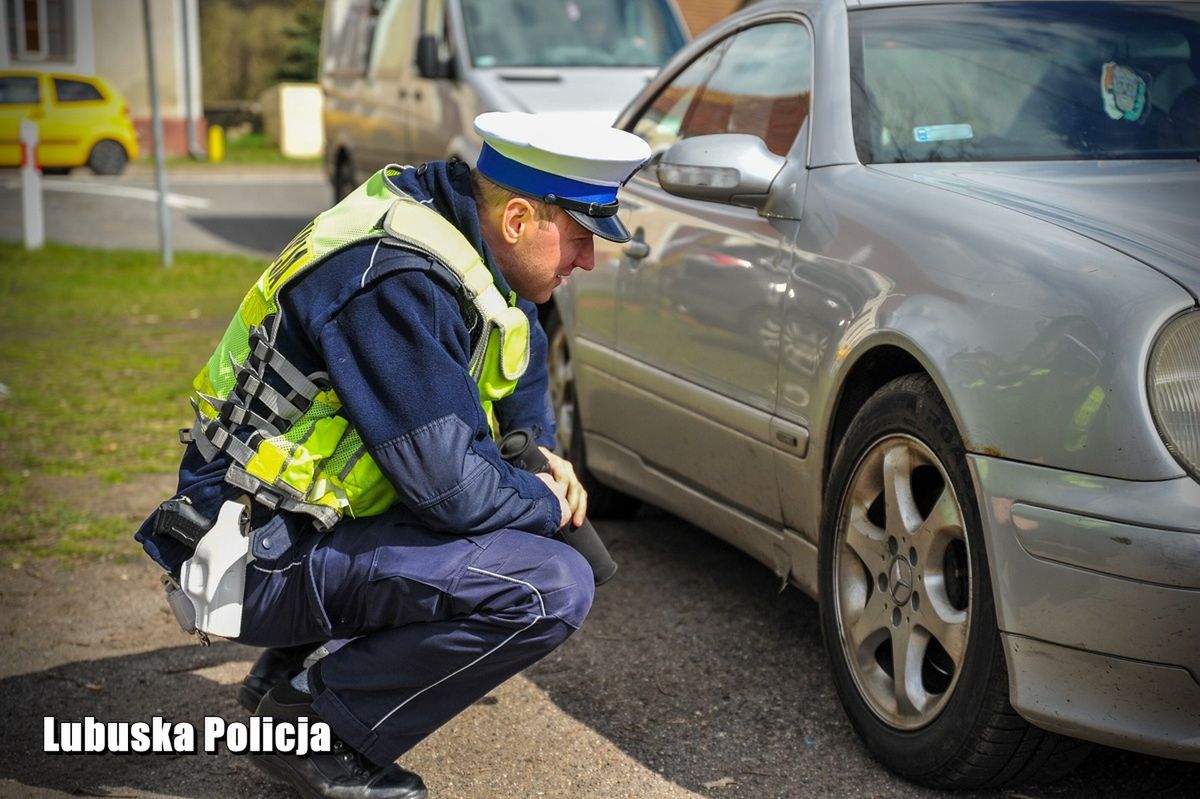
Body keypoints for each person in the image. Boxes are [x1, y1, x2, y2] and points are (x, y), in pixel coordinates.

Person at [134, 111, 651, 799]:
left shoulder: (459, 238)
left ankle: (291, 676)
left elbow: (518, 348)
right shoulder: (396, 281)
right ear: (519, 218)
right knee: (549, 584)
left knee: (516, 524)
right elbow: (454, 493)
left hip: (285, 529)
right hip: (246, 555)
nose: (587, 259)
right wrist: (543, 502)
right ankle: (323, 731)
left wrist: (541, 457)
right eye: (581, 237)